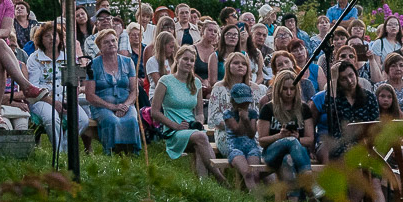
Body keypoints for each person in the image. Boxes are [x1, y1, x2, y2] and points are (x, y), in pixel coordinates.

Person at [150, 46, 220, 178]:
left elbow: (199, 112)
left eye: (192, 60)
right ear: (177, 59)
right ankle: (220, 177)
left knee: (200, 141)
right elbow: (154, 112)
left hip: (192, 128)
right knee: (201, 137)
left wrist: (199, 121)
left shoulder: (196, 83)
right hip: (173, 131)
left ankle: (203, 183)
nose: (189, 63)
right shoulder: (165, 81)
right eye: (185, 59)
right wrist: (175, 125)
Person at [23, 22, 86, 153]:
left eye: (55, 35)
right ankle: (59, 152)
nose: (52, 38)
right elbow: (34, 87)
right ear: (41, 39)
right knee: (52, 119)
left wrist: (71, 101)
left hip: (66, 99)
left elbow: (75, 84)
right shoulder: (34, 58)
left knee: (83, 120)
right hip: (42, 100)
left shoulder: (70, 57)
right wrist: (53, 103)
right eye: (47, 36)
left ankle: (66, 149)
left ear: (60, 38)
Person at [83, 28, 142, 152]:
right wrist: (112, 107)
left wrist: (125, 105)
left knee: (132, 120)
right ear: (100, 47)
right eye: (106, 42)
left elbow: (134, 91)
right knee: (112, 121)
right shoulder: (93, 65)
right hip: (102, 106)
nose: (111, 44)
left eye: (113, 40)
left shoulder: (128, 62)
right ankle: (112, 151)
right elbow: (90, 95)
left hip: (125, 104)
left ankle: (131, 153)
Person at [259, 69, 315, 183]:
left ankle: (295, 194)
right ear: (278, 89)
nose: (289, 93)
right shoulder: (268, 109)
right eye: (285, 89)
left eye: (292, 89)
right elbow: (262, 141)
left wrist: (298, 138)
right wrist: (280, 136)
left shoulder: (304, 109)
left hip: (296, 153)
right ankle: (309, 181)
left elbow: (310, 139)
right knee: (291, 141)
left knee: (288, 159)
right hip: (272, 153)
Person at [207, 52, 267, 150]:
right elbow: (214, 117)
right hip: (226, 132)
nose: (240, 65)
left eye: (244, 64)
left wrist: (247, 126)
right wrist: (234, 126)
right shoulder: (219, 87)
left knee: (257, 150)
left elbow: (257, 114)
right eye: (236, 63)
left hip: (250, 131)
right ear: (228, 66)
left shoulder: (255, 88)